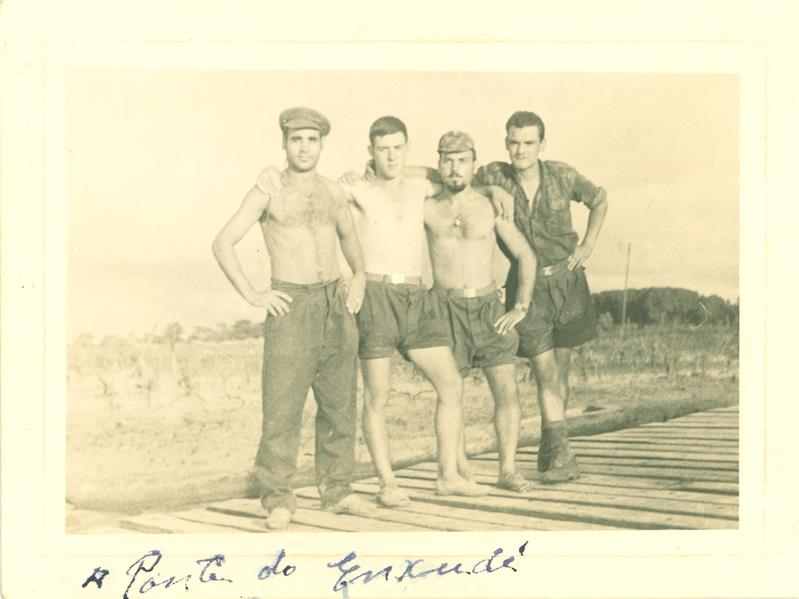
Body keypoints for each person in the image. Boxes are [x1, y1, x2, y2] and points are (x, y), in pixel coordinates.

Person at [211, 106, 374, 530]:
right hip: (291, 304)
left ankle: (338, 491)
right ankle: (278, 499)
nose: (305, 147)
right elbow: (223, 242)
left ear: (322, 144)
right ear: (284, 143)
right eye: (297, 138)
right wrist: (253, 293)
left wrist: (358, 277)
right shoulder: (268, 189)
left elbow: (350, 239)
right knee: (282, 409)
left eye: (312, 139)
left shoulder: (334, 192)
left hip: (334, 304)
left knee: (339, 405)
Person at [474, 111, 609, 483]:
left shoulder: (563, 175)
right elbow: (450, 178)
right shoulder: (493, 175)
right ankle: (561, 454)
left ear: (541, 146)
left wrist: (589, 243)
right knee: (543, 368)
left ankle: (553, 452)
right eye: (514, 142)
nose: (520, 150)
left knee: (559, 372)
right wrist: (489, 190)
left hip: (568, 284)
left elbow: (599, 199)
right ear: (506, 142)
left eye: (529, 143)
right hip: (526, 287)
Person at [425, 131, 537, 493]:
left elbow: (526, 256)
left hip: (489, 307)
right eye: (447, 159)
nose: (455, 167)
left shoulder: (491, 206)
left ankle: (507, 470)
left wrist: (520, 306)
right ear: (439, 163)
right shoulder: (426, 205)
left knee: (506, 392)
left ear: (475, 163)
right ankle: (458, 471)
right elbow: (388, 174)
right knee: (449, 394)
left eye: (462, 160)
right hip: (445, 306)